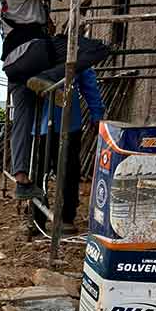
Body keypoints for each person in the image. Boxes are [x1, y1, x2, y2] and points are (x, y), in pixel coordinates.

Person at [0, 0, 109, 200]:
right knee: (95, 48)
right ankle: (50, 76)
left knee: (21, 120)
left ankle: (21, 178)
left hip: (13, 64)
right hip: (35, 55)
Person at [33, 68, 104, 235]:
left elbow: (88, 83)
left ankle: (60, 217)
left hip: (63, 122)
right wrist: (96, 113)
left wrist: (97, 113)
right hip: (46, 122)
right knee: (56, 171)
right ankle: (42, 217)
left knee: (64, 171)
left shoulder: (75, 51)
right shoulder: (42, 48)